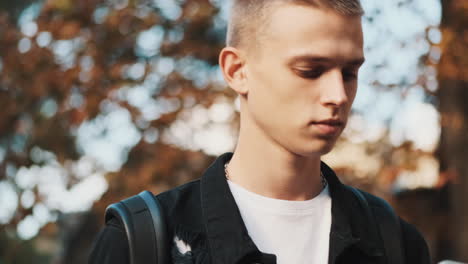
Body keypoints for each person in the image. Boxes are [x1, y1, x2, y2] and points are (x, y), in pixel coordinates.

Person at [89, 0, 431, 263]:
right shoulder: (144, 242)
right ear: (237, 70)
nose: (338, 96)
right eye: (310, 71)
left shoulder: (394, 242)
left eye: (349, 73)